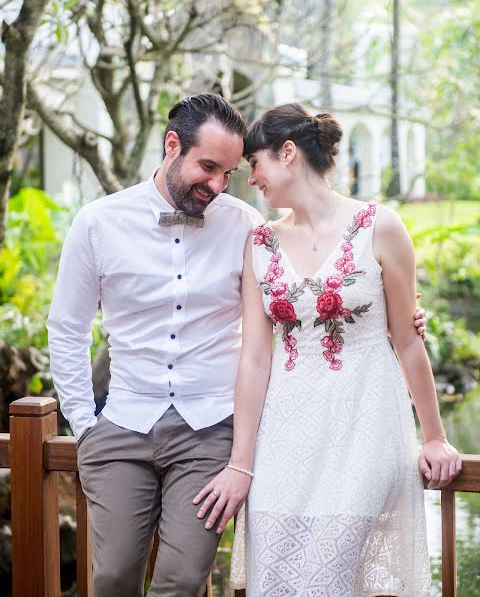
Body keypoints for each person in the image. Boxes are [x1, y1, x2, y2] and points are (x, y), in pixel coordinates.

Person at [47, 94, 428, 597]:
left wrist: (390, 320)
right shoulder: (97, 223)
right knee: (113, 576)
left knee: (182, 580)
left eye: (230, 172)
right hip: (123, 422)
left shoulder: (248, 228)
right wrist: (85, 424)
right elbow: (68, 327)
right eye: (209, 167)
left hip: (208, 430)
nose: (219, 185)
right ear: (172, 145)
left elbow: (305, 301)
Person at [194, 104, 461, 596]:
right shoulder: (261, 242)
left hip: (363, 427)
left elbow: (406, 338)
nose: (250, 179)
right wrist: (241, 461)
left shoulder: (380, 226)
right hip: (283, 439)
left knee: (328, 578)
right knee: (274, 580)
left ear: (288, 153)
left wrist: (435, 436)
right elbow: (254, 357)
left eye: (255, 164)